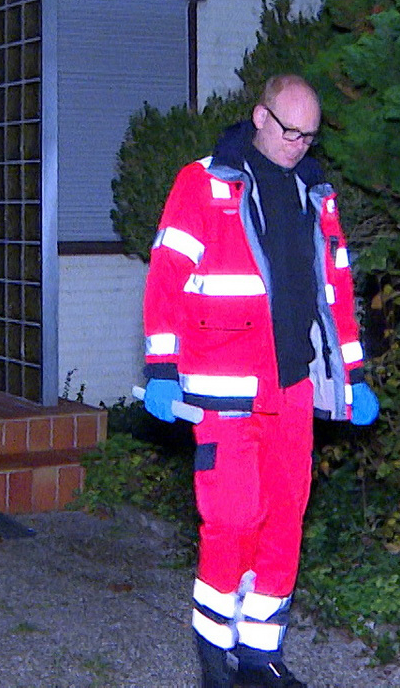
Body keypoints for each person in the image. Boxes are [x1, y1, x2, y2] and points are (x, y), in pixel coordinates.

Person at [141, 75, 380, 688]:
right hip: (223, 387)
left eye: (310, 134)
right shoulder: (204, 182)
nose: (299, 143)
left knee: (285, 517)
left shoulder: (317, 195)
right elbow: (167, 276)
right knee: (234, 518)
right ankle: (213, 651)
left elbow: (336, 294)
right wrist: (162, 369)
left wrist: (352, 377)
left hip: (294, 385)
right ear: (259, 116)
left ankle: (259, 655)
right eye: (289, 129)